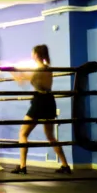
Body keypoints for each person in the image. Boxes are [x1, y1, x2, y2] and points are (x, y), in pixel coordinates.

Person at [9, 44, 71, 175]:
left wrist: (12, 71)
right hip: (50, 100)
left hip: (39, 101)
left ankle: (22, 166)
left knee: (23, 133)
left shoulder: (36, 70)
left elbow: (21, 81)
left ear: (36, 54)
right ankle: (65, 165)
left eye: (32, 53)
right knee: (50, 136)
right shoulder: (48, 69)